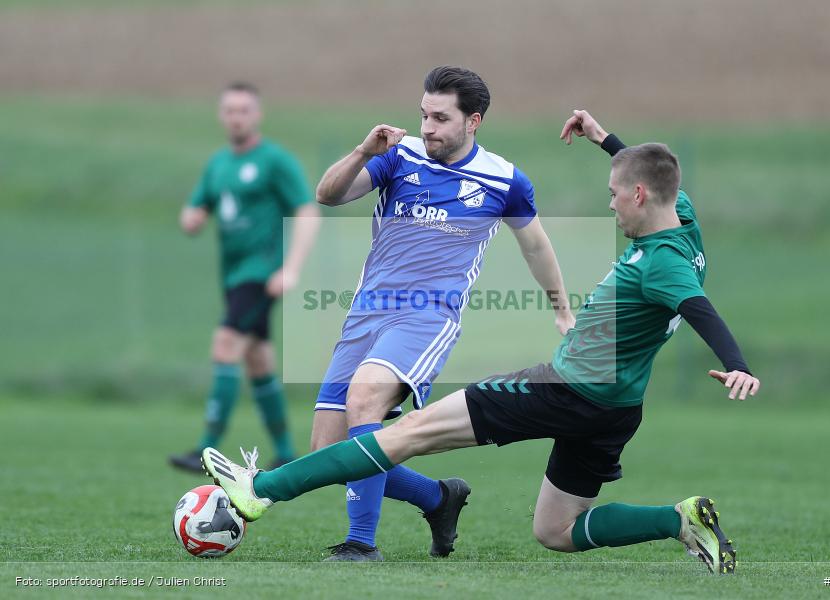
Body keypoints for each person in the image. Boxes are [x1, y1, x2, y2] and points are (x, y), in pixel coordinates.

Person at [201, 109, 761, 574]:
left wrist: (735, 363)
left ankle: (260, 490)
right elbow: (656, 174)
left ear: (640, 195)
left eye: (615, 195)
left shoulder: (661, 263)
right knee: (556, 531)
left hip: (563, 387)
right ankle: (679, 519)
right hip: (615, 408)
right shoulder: (681, 221)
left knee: (405, 433)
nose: (610, 204)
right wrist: (603, 139)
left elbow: (698, 309)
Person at [307, 66, 575, 561]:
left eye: (440, 118)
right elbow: (328, 194)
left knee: (365, 405)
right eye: (424, 115)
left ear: (473, 121)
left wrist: (562, 310)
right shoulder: (398, 156)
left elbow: (536, 247)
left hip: (427, 318)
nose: (427, 127)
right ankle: (439, 498)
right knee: (327, 457)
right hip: (367, 312)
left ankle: (360, 546)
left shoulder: (504, 180)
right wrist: (366, 151)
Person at [169, 82, 321, 474]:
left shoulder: (275, 161)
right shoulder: (218, 163)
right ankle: (286, 451)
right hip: (233, 274)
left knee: (225, 344)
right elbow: (197, 207)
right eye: (230, 110)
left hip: (261, 273)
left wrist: (291, 268)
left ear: (258, 115)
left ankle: (206, 449)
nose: (236, 117)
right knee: (257, 359)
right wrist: (192, 217)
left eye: (244, 110)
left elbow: (307, 212)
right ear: (222, 116)